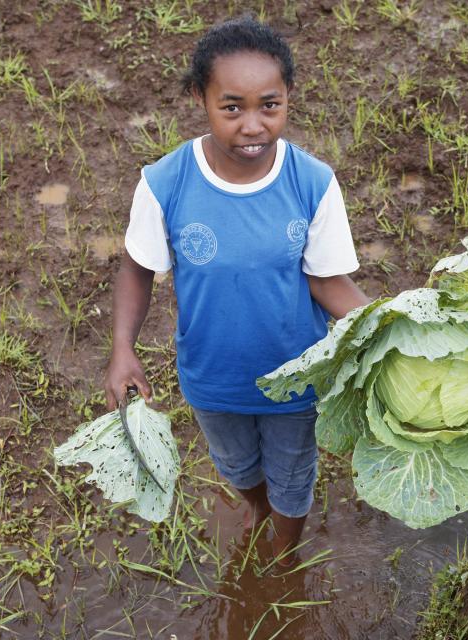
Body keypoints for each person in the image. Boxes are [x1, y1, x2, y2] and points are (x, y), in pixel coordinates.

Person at [103, 16, 369, 567]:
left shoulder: (313, 183)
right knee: (238, 468)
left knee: (293, 476)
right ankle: (256, 507)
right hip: (211, 377)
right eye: (232, 107)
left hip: (296, 378)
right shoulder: (166, 182)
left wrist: (394, 329)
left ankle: (284, 551)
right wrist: (122, 348)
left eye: (269, 105)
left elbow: (327, 280)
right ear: (201, 98)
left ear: (288, 98)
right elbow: (137, 267)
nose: (253, 125)